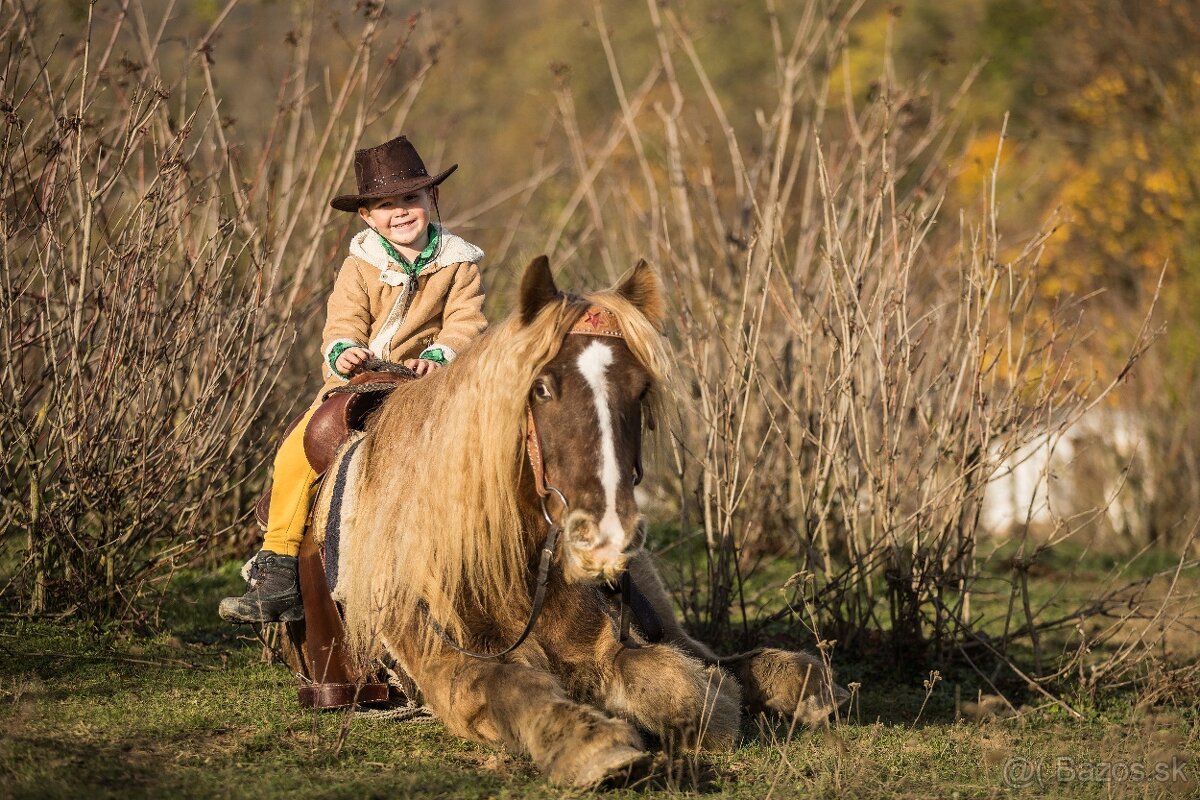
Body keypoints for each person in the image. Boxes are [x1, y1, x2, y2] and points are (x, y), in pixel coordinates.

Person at [219, 135, 487, 623]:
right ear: (367, 217)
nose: (401, 213)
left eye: (411, 199)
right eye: (386, 205)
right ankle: (279, 568)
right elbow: (342, 322)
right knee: (298, 451)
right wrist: (344, 353)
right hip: (362, 383)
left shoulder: (459, 264)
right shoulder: (359, 265)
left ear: (432, 200)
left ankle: (485, 549)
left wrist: (441, 354)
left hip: (429, 385)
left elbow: (467, 322)